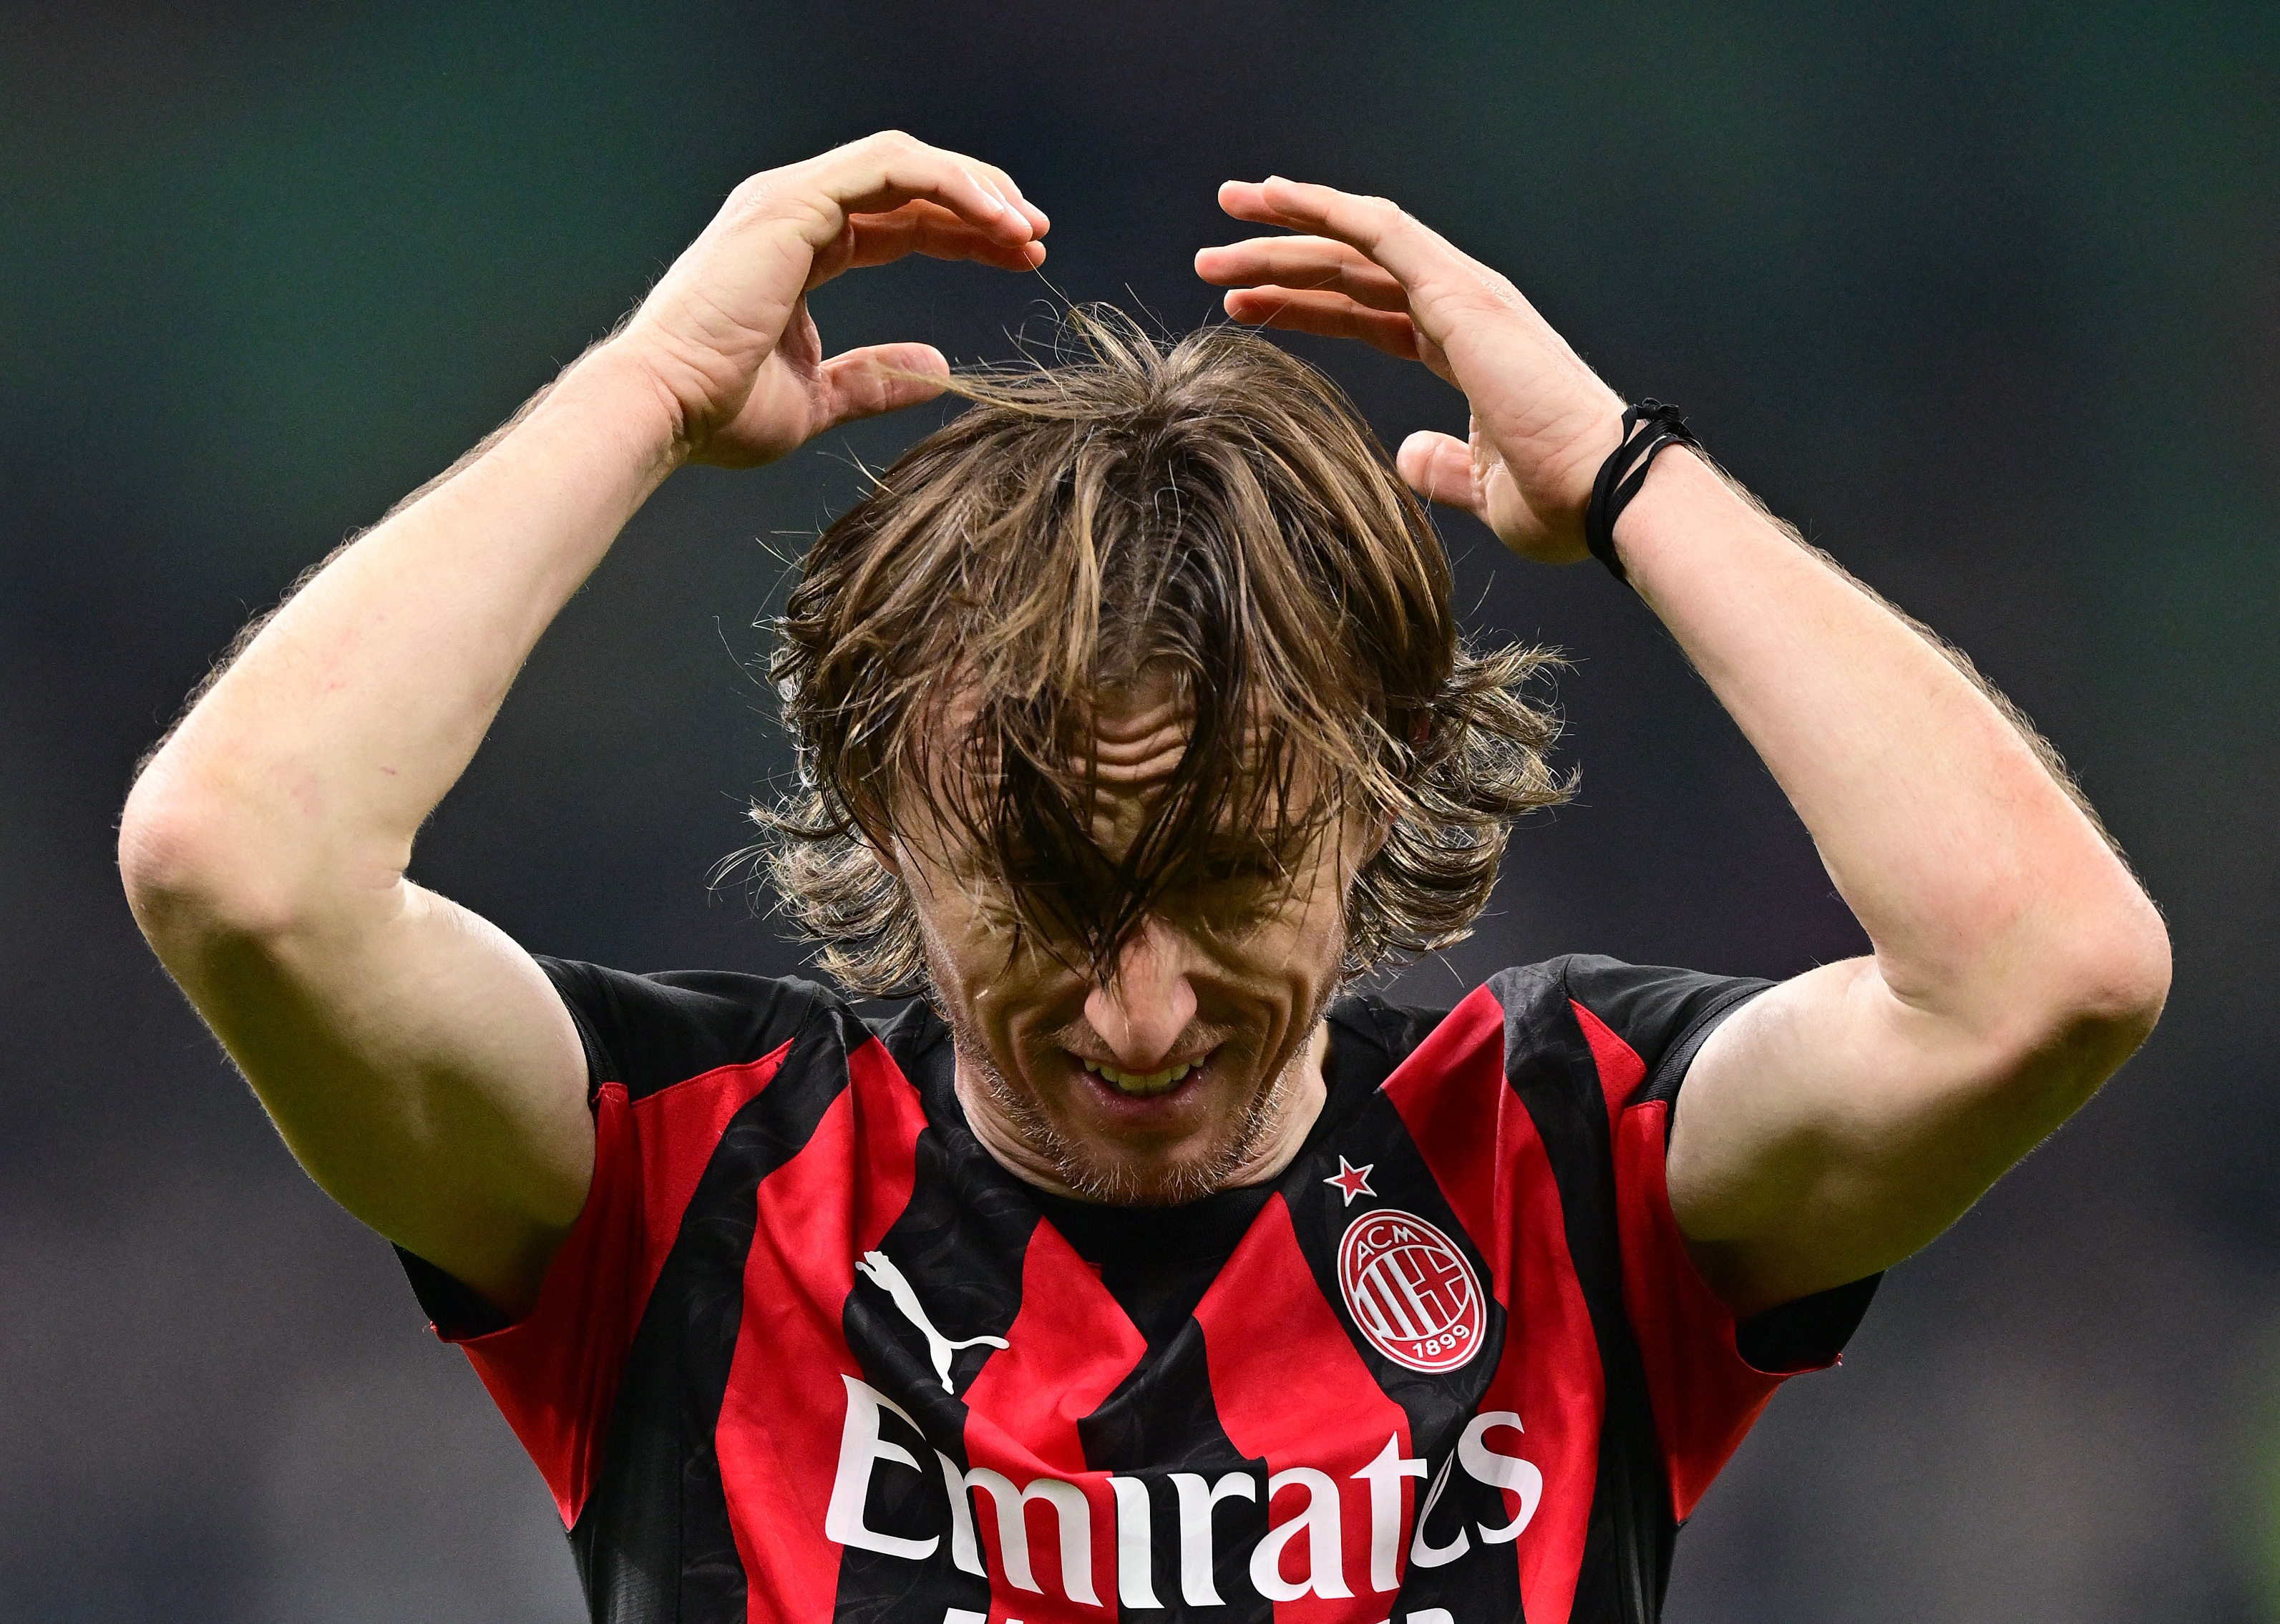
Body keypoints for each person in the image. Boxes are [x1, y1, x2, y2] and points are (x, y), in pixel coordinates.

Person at [118, 132, 2169, 1624]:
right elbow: (241, 864)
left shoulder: (1564, 1169)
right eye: (1048, 895)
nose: (1139, 1009)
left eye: (1225, 883)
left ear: (1377, 802)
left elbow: (2043, 969)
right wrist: (640, 392)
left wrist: (1632, 478)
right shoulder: (679, 1182)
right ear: (880, 810)